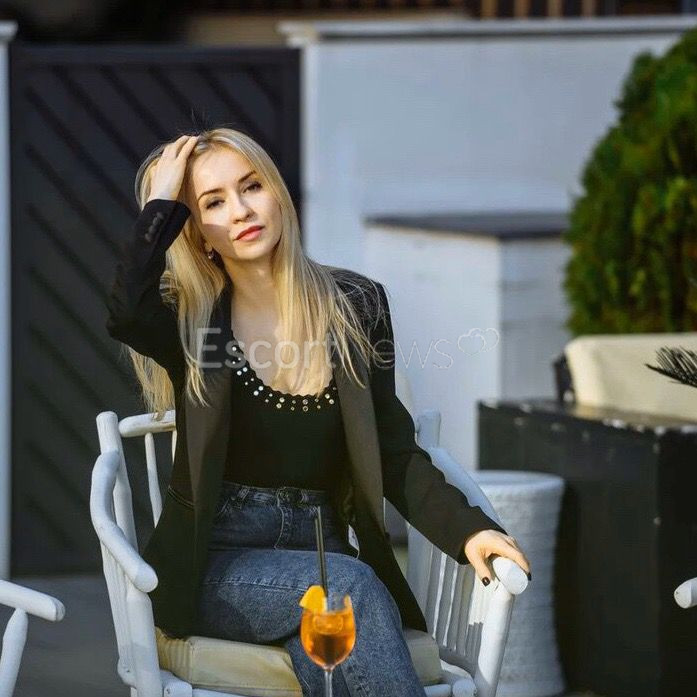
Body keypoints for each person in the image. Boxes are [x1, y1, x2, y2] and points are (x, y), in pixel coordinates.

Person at [105, 128, 532, 696]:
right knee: (346, 592)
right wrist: (161, 205)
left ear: (277, 194)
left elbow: (393, 450)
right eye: (213, 203)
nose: (241, 210)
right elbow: (125, 314)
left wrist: (469, 530)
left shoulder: (356, 305)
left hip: (324, 548)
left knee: (336, 656)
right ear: (199, 233)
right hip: (218, 563)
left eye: (251, 187)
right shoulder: (192, 321)